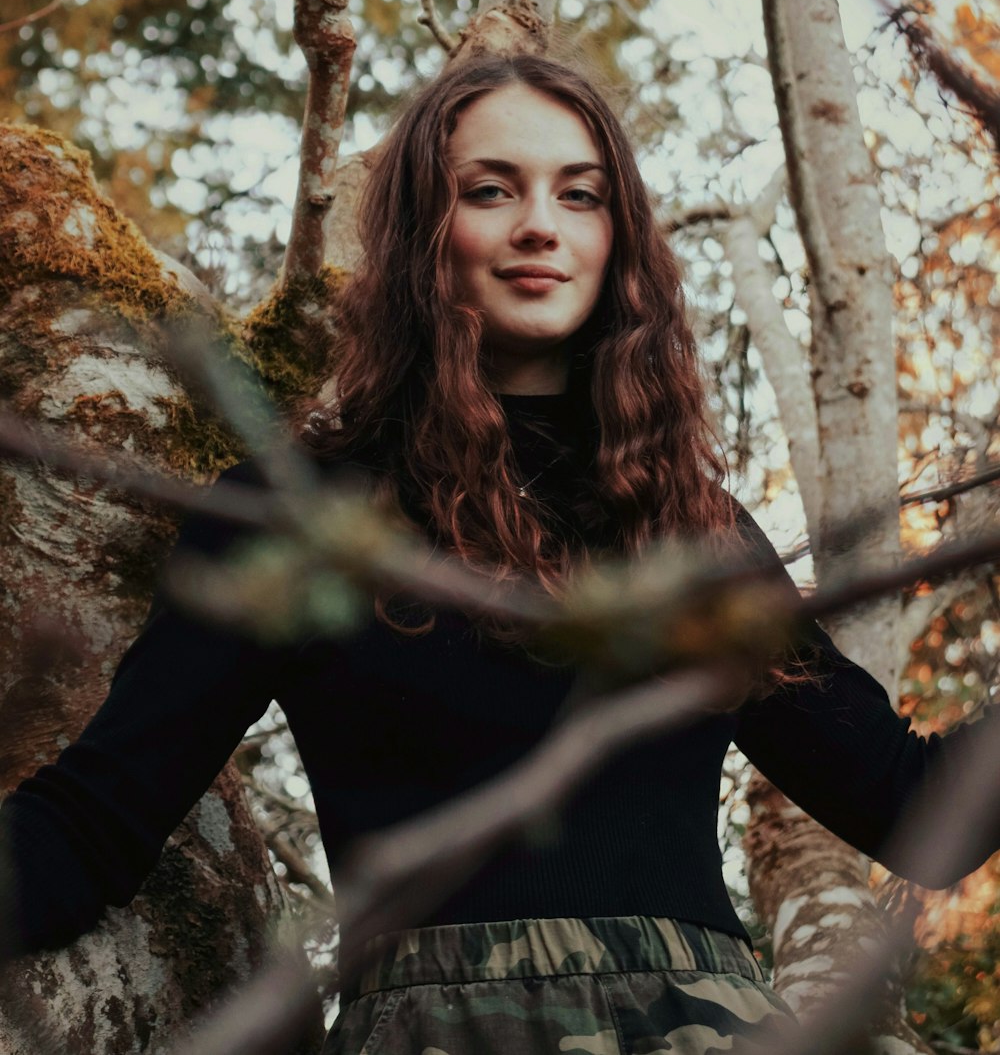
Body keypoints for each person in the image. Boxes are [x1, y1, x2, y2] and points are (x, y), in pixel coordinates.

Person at [1, 53, 997, 1054]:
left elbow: (911, 807)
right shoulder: (294, 513)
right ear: (420, 234)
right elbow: (96, 819)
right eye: (489, 190)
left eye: (580, 194)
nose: (539, 226)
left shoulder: (691, 531)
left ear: (619, 240)